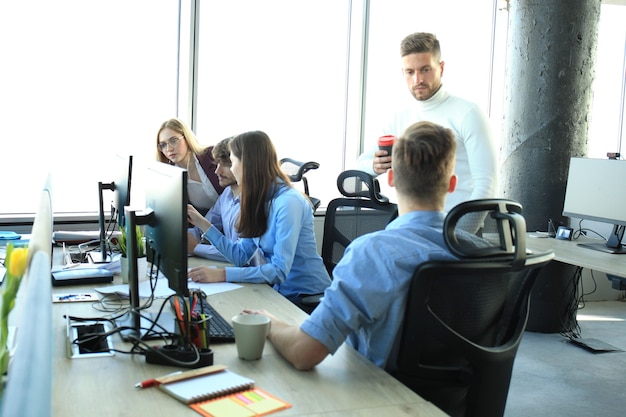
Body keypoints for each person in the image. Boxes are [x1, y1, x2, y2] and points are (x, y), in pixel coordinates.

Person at [243, 121, 484, 371]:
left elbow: (304, 352)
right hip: (457, 401)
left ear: (391, 179)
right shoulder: (483, 252)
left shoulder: (371, 254)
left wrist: (268, 322)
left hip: (376, 395)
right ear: (452, 183)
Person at [357, 32, 498, 222]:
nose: (418, 80)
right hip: (409, 229)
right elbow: (361, 164)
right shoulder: (399, 117)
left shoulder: (468, 113)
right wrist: (375, 166)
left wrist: (457, 239)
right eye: (410, 72)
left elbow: (486, 185)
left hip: (456, 231)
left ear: (441, 68)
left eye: (425, 70)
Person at [186, 130, 331, 313]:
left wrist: (222, 275)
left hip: (307, 299)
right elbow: (240, 255)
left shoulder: (288, 202)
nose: (229, 169)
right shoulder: (255, 198)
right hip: (277, 292)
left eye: (233, 161)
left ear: (247, 164)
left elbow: (279, 271)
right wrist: (203, 224)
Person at [156, 118, 224, 214]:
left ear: (186, 138)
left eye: (173, 140)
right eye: (163, 145)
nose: (169, 148)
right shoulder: (170, 177)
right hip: (206, 225)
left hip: (234, 217)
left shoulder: (211, 155)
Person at [188, 137, 240, 262]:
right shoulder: (227, 193)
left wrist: (196, 248)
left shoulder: (256, 202)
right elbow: (208, 224)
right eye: (217, 164)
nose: (217, 171)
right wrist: (184, 237)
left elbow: (241, 254)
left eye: (226, 165)